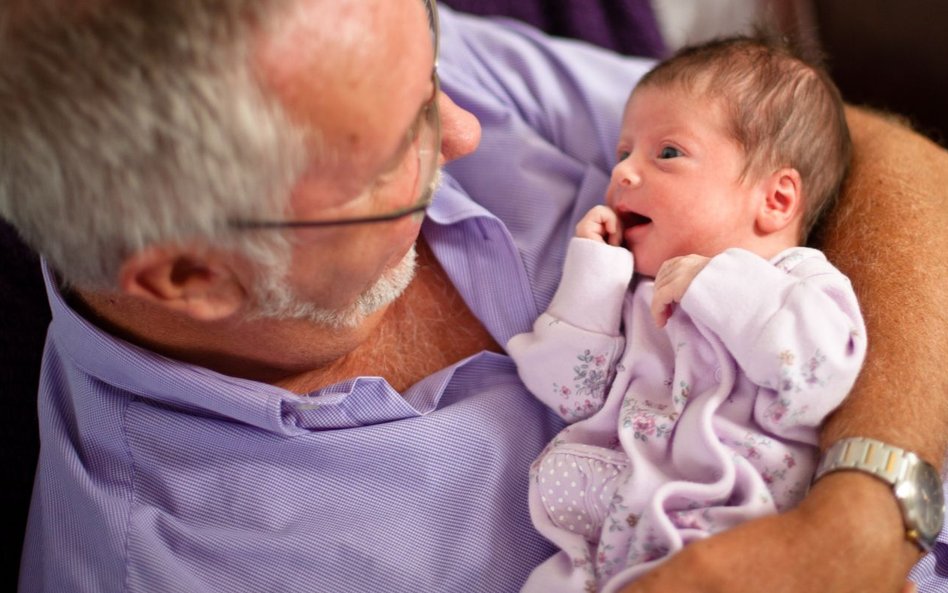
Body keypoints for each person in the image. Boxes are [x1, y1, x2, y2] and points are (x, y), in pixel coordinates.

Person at [0, 1, 944, 592]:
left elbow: (872, 159)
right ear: (191, 276)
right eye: (396, 146)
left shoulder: (356, 44)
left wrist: (864, 514)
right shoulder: (172, 563)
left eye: (435, 76)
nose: (462, 131)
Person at [506, 36, 866, 593]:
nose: (624, 173)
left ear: (776, 200)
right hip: (617, 546)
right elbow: (567, 393)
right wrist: (593, 278)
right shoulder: (635, 295)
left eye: (667, 154)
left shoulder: (799, 285)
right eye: (622, 154)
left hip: (752, 541)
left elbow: (815, 378)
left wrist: (717, 282)